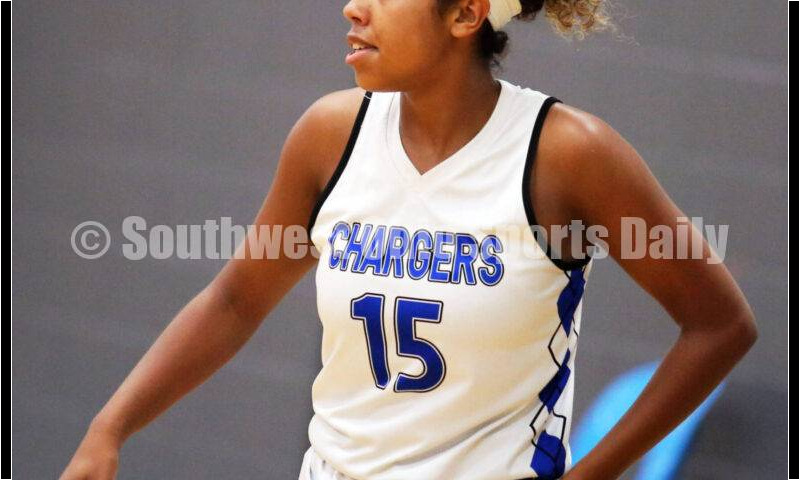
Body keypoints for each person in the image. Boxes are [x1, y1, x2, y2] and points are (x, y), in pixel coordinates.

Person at [60, 0, 758, 479]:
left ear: (464, 13)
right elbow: (235, 303)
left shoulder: (567, 153)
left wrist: (590, 474)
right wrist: (110, 426)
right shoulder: (328, 135)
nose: (352, 8)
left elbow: (720, 325)